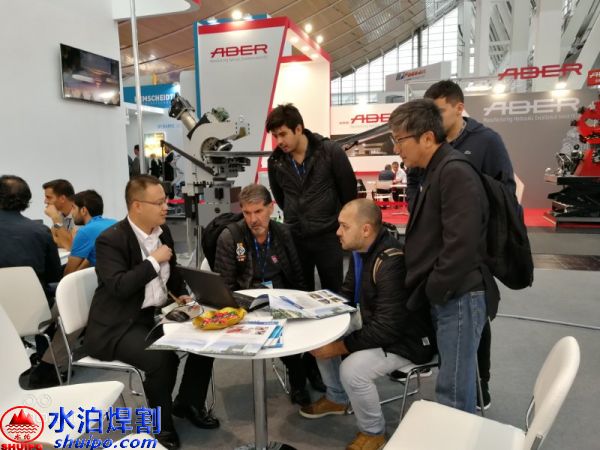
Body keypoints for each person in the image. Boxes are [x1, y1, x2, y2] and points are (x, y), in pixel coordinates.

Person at [398, 80, 515, 409]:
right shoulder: (435, 168)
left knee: (453, 390)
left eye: (399, 140)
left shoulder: (454, 170)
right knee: (452, 381)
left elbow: (461, 243)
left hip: (458, 293)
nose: (397, 148)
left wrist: (436, 287)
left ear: (426, 138)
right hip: (451, 292)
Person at [84, 175, 218, 450]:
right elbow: (119, 287)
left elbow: (172, 273)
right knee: (162, 360)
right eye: (159, 203)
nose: (166, 207)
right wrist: (153, 261)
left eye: (165, 200)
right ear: (137, 206)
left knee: (206, 340)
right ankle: (160, 426)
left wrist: (181, 294)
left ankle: (188, 402)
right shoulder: (111, 240)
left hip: (150, 317)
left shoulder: (162, 232)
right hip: (116, 326)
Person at [299, 199, 435, 450]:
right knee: (321, 332)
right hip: (377, 323)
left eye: (344, 226)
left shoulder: (392, 262)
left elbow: (387, 328)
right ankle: (337, 398)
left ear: (365, 229)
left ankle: (373, 433)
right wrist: (319, 310)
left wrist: (338, 347)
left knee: (352, 370)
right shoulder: (360, 251)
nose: (337, 232)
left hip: (408, 340)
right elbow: (348, 294)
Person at [213, 184, 313, 406]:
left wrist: (304, 302)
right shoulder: (230, 237)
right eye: (247, 213)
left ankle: (302, 379)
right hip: (246, 302)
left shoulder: (283, 233)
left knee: (298, 330)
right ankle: (300, 380)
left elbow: (297, 274)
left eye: (258, 211)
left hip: (280, 297)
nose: (253, 219)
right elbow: (225, 286)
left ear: (271, 208)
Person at [266, 103, 357, 293]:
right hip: (295, 238)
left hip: (328, 236)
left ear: (298, 129)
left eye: (283, 134)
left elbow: (349, 194)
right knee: (299, 295)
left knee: (334, 294)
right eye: (275, 136)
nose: (279, 141)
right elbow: (282, 199)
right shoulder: (275, 162)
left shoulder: (330, 151)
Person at [0, 175, 63, 387]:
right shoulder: (40, 231)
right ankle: (46, 369)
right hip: (36, 314)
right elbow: (54, 275)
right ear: (26, 200)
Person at [0, 175, 61, 301]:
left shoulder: (69, 217)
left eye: (49, 197)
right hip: (34, 302)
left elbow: (67, 241)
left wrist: (56, 220)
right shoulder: (41, 230)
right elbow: (54, 275)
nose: (45, 201)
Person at [64, 190, 117, 275]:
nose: (71, 212)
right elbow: (93, 256)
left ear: (83, 210)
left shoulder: (85, 232)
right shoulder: (114, 222)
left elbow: (68, 274)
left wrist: (55, 219)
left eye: (73, 207)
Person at [43, 179, 77, 250]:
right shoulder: (61, 214)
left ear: (62, 199)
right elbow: (51, 238)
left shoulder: (80, 215)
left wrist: (55, 218)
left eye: (48, 197)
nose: (45, 201)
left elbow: (70, 246)